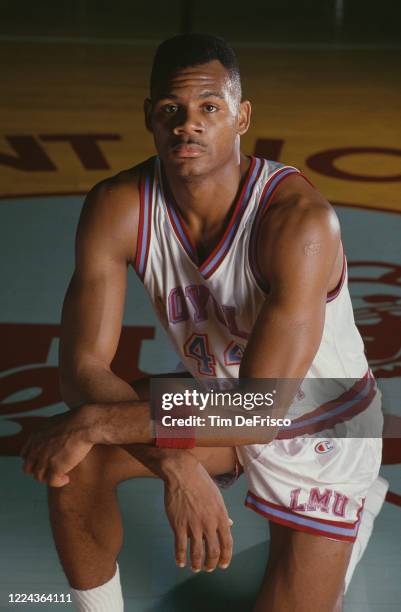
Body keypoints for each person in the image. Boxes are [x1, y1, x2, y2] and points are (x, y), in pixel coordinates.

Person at [21, 34, 387, 611]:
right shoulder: (119, 205)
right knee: (79, 453)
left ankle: (351, 520)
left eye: (209, 108)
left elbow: (263, 410)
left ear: (241, 117)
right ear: (150, 117)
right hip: (218, 397)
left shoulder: (300, 224)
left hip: (318, 419)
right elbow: (82, 369)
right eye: (171, 110)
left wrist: (112, 423)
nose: (187, 126)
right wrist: (173, 461)